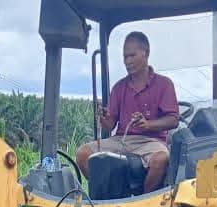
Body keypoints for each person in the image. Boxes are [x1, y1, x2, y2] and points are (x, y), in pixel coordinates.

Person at [76, 32, 179, 193]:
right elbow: (110, 125)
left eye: (132, 55)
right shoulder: (119, 87)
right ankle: (108, 195)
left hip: (150, 141)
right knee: (83, 154)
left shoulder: (164, 84)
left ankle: (142, 204)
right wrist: (104, 118)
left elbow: (173, 120)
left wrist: (148, 124)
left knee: (162, 159)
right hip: (121, 140)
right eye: (125, 57)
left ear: (146, 53)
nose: (127, 61)